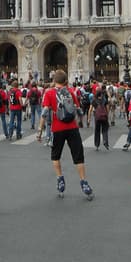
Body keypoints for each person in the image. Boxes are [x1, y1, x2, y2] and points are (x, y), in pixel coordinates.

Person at [41, 69, 94, 199]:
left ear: (54, 81)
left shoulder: (49, 93)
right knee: (78, 156)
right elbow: (78, 109)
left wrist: (39, 130)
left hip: (57, 129)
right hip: (72, 128)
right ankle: (84, 182)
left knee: (55, 156)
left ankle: (60, 179)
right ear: (65, 81)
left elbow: (45, 112)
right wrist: (80, 122)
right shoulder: (70, 92)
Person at [90, 85, 110, 151]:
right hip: (104, 117)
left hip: (97, 117)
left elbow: (90, 109)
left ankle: (97, 145)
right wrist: (107, 114)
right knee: (105, 130)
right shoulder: (104, 99)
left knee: (97, 131)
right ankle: (105, 141)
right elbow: (107, 108)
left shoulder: (94, 100)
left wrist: (88, 118)